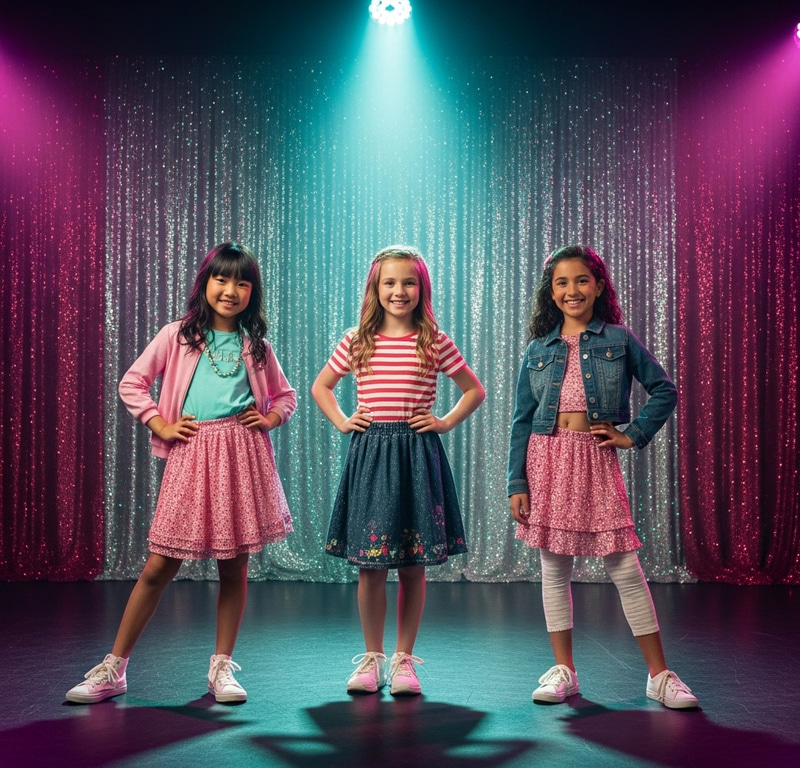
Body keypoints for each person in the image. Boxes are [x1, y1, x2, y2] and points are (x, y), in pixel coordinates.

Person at [65, 242, 296, 705]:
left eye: (242, 282)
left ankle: (221, 668)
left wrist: (269, 418)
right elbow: (132, 382)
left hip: (242, 454)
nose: (231, 290)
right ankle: (115, 668)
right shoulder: (177, 335)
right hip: (192, 453)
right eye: (222, 279)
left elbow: (285, 396)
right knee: (159, 565)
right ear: (205, 284)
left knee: (234, 567)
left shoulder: (256, 345)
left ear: (253, 291)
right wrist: (161, 424)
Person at [507, 244, 698, 710]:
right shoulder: (538, 348)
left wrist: (632, 435)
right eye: (561, 283)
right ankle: (564, 672)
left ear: (597, 286)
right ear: (550, 292)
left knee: (625, 569)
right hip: (545, 460)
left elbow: (663, 390)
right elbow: (521, 419)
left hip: (593, 461)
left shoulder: (618, 339)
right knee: (554, 569)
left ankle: (660, 676)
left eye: (580, 281)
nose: (571, 290)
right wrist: (517, 482)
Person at [312, 245, 485, 696]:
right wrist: (343, 420)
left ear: (421, 288)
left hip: (416, 457)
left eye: (408, 282)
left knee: (411, 565)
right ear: (375, 288)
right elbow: (321, 387)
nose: (399, 290)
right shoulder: (357, 340)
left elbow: (473, 390)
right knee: (370, 567)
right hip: (371, 455)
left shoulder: (434, 340)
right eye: (389, 282)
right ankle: (372, 659)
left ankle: (404, 661)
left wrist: (444, 421)